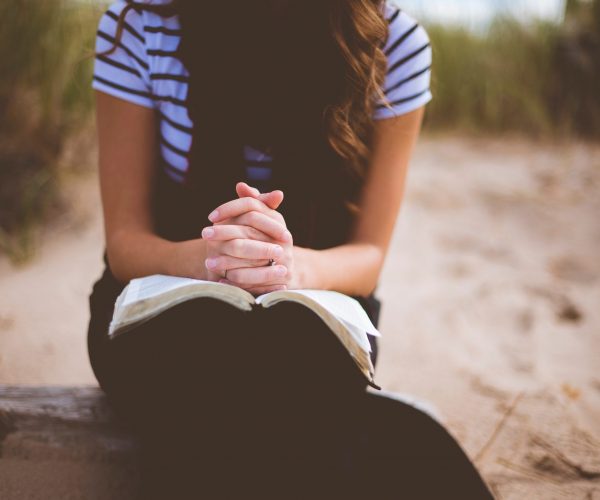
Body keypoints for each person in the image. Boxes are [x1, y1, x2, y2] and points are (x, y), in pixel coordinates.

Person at [87, 1, 494, 498]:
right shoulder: (143, 23)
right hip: (158, 305)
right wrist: (217, 259)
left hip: (317, 312)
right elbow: (125, 244)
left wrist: (288, 267)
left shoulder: (394, 45)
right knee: (212, 368)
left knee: (291, 365)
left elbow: (368, 256)